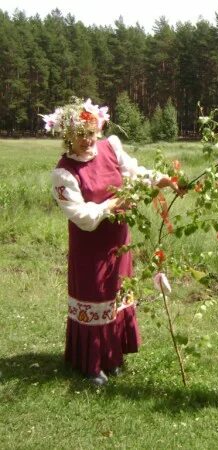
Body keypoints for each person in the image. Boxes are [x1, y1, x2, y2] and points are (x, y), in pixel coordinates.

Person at [44, 98, 182, 386]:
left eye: (90, 132)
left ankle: (113, 355)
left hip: (120, 240)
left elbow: (134, 173)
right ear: (67, 135)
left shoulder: (110, 147)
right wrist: (115, 202)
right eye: (79, 134)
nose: (86, 140)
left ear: (98, 129)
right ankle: (91, 363)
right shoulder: (64, 172)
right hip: (90, 246)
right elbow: (83, 216)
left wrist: (162, 179)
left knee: (116, 293)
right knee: (95, 297)